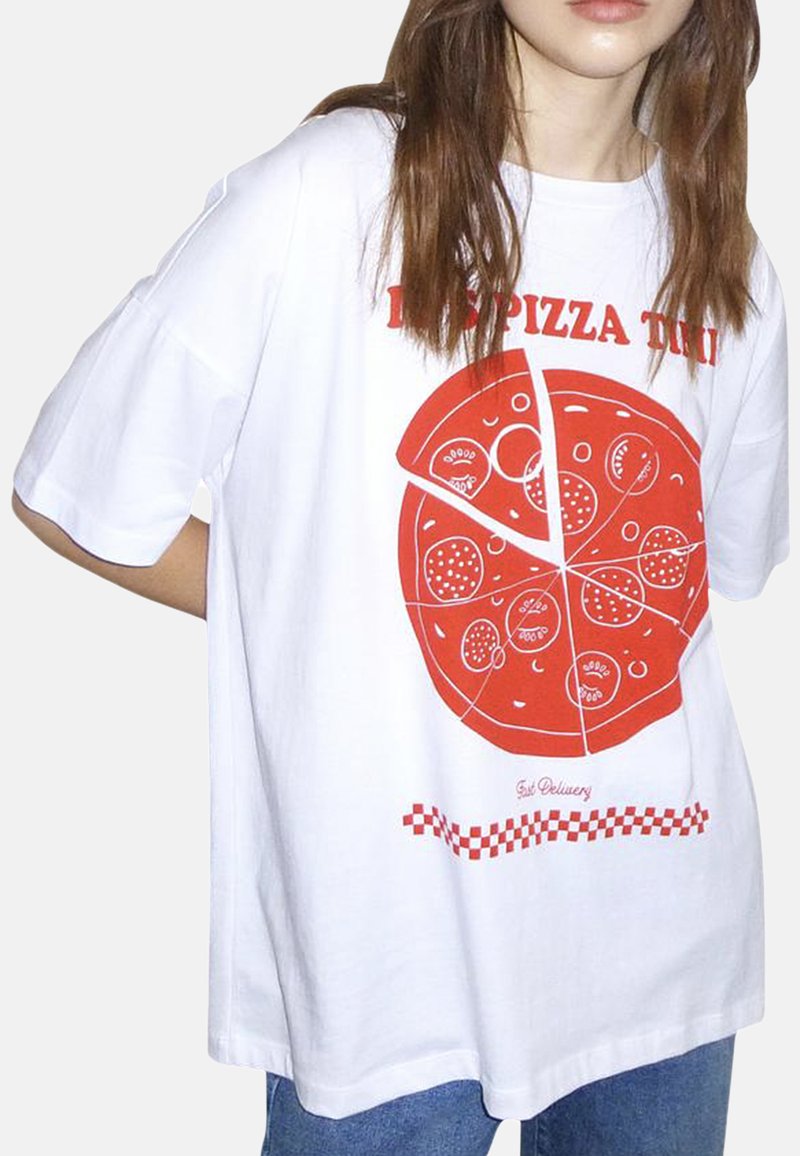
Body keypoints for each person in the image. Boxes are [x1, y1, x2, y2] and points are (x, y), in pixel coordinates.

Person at [11, 0, 789, 1153]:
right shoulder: (332, 192)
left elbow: (690, 571)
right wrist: (325, 600)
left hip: (660, 935)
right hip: (387, 953)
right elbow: (78, 487)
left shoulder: (722, 254)